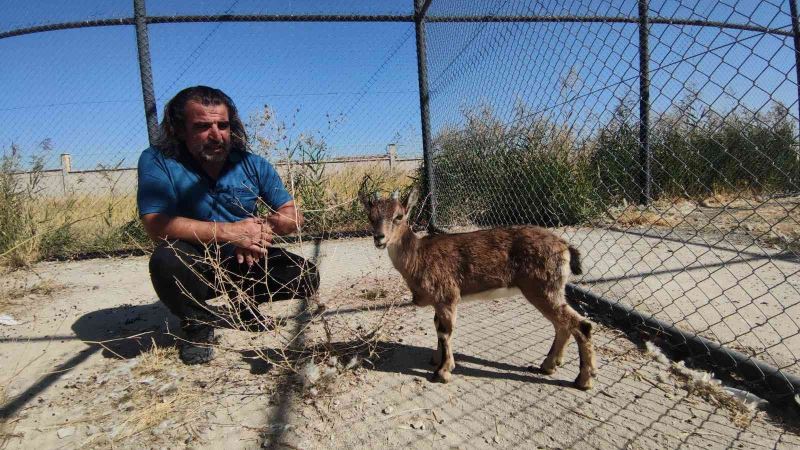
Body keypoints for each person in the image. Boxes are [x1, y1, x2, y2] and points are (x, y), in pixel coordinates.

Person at [137, 85, 319, 365]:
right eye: (202, 126)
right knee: (166, 260)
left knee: (306, 276)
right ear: (179, 129)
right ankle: (196, 325)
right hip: (196, 260)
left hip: (244, 258)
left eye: (222, 125)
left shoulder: (251, 164)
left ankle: (244, 301)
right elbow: (155, 224)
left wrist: (261, 231)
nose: (215, 135)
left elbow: (292, 215)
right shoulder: (158, 161)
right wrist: (229, 233)